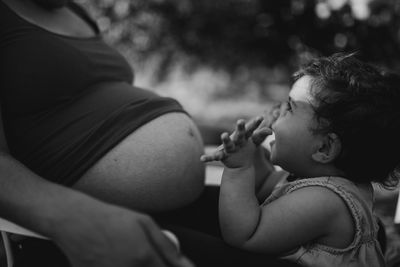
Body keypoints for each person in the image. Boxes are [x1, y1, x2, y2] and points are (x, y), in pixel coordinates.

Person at [0, 0, 205, 266]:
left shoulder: (75, 11)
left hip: (162, 205)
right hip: (83, 225)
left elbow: (95, 97)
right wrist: (72, 218)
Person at [201, 53, 398, 266]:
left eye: (290, 108)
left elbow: (245, 234)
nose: (277, 112)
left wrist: (239, 168)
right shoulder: (315, 177)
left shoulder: (326, 201)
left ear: (324, 147)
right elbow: (264, 186)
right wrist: (253, 153)